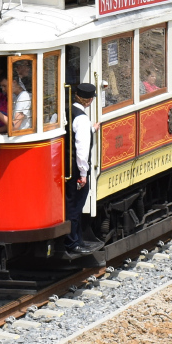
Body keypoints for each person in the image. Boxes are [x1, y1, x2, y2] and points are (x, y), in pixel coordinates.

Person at [64, 82, 100, 254]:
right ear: (90, 100)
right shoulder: (82, 119)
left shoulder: (66, 112)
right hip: (76, 169)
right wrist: (84, 174)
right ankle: (73, 243)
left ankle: (77, 239)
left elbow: (71, 135)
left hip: (65, 167)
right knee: (75, 206)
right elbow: (81, 149)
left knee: (72, 204)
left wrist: (91, 130)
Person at [10, 59, 33, 132]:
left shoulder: (23, 95)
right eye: (26, 65)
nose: (28, 69)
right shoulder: (16, 84)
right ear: (18, 67)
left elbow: (15, 125)